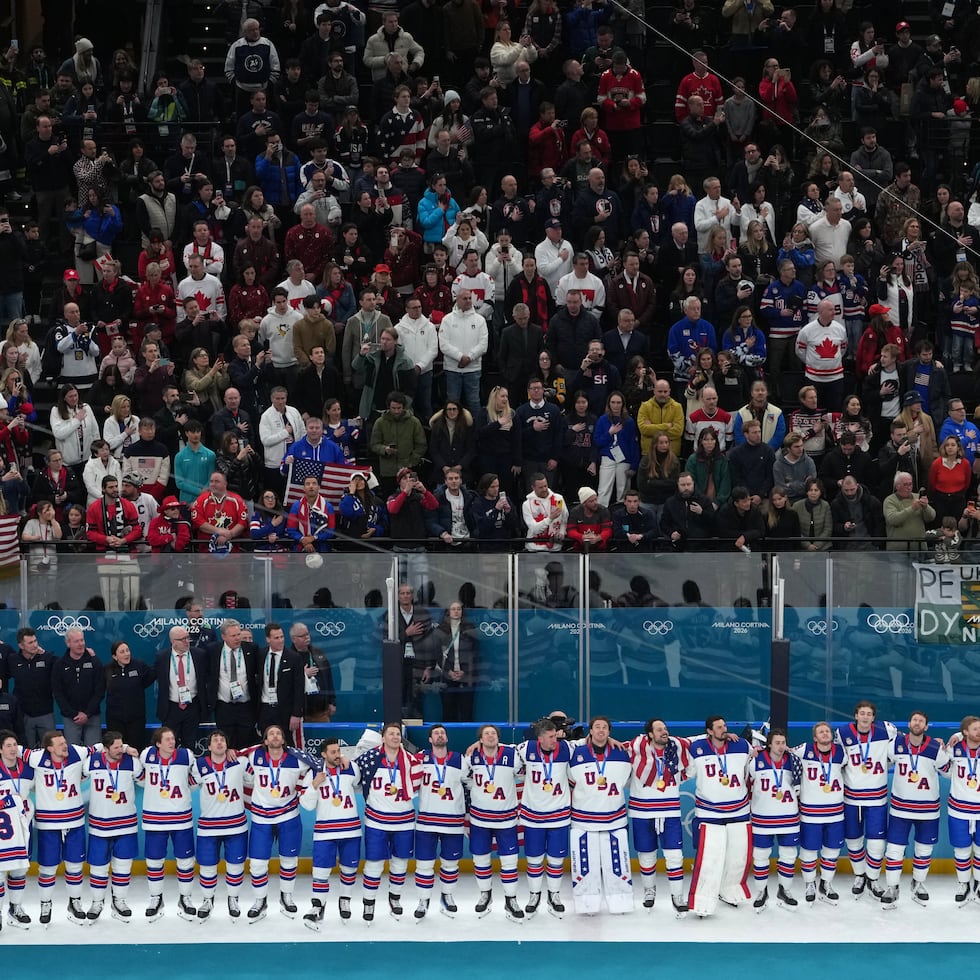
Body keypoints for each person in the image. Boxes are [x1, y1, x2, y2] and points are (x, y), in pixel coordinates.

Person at [240, 724, 312, 921]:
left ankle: (286, 896)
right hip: (261, 818)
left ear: (283, 740)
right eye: (270, 733)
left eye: (278, 733)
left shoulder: (297, 760)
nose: (274, 736)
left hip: (288, 816)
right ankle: (260, 900)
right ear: (265, 741)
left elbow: (319, 767)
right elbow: (233, 756)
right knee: (257, 863)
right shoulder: (254, 756)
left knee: (289, 861)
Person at [353, 722, 422, 921]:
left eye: (398, 734)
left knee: (400, 863)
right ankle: (369, 902)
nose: (395, 737)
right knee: (374, 864)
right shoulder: (369, 758)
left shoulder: (411, 760)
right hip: (377, 821)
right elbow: (354, 776)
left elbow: (417, 786)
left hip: (404, 821)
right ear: (382, 738)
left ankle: (395, 899)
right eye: (391, 733)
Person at [685, 715, 753, 916]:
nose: (724, 729)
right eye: (719, 727)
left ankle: (730, 890)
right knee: (710, 858)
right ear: (709, 731)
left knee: (737, 856)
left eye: (725, 726)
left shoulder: (742, 745)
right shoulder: (696, 749)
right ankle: (702, 900)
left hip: (739, 810)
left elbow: (752, 768)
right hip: (709, 812)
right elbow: (686, 770)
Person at [881, 711, 949, 908]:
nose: (917, 723)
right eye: (914, 720)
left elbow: (948, 772)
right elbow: (881, 761)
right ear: (909, 723)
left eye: (921, 721)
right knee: (894, 850)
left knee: (924, 850)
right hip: (900, 809)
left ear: (926, 726)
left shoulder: (936, 748)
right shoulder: (895, 745)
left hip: (928, 810)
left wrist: (953, 742)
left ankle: (918, 883)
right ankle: (892, 887)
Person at [24, 731, 94, 925]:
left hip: (74, 822)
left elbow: (97, 748)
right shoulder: (36, 758)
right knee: (47, 868)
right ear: (49, 748)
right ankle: (45, 904)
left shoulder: (76, 752)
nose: (65, 746)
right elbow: (14, 751)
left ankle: (75, 903)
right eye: (60, 744)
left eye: (65, 741)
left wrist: (123, 748)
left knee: (75, 866)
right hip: (48, 823)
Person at [567, 716, 634, 915]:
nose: (601, 731)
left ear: (609, 731)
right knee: (585, 866)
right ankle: (587, 903)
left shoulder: (622, 752)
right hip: (583, 820)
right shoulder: (575, 752)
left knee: (617, 864)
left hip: (614, 818)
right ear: (591, 731)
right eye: (597, 727)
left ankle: (620, 901)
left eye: (605, 727)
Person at [626, 718, 690, 913]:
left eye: (665, 728)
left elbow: (702, 739)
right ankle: (649, 891)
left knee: (675, 856)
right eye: (659, 729)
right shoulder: (635, 749)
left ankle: (677, 895)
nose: (664, 732)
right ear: (650, 734)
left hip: (669, 811)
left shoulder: (677, 748)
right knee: (646, 856)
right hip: (642, 811)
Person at [835, 700, 896, 899]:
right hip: (851, 796)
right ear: (855, 715)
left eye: (869, 714)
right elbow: (836, 758)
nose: (865, 717)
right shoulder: (842, 733)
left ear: (873, 717)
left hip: (877, 796)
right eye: (862, 713)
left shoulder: (887, 730)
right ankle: (860, 875)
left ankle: (873, 878)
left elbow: (906, 743)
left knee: (877, 842)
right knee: (853, 839)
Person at [299, 736, 362, 927]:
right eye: (333, 752)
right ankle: (318, 905)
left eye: (338, 751)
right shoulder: (314, 774)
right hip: (325, 831)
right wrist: (314, 785)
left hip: (350, 829)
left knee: (349, 869)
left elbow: (359, 783)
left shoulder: (350, 767)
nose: (337, 755)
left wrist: (348, 761)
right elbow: (307, 805)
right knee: (320, 870)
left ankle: (345, 900)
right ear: (324, 754)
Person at [82, 730, 143, 922]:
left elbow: (144, 781)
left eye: (121, 746)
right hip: (99, 825)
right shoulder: (91, 762)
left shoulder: (132, 762)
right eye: (116, 747)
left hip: (126, 825)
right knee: (98, 867)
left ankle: (120, 901)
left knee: (123, 866)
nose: (120, 750)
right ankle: (97, 902)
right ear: (106, 748)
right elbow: (77, 778)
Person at [139, 726, 198, 922]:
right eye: (167, 739)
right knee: (154, 861)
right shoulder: (146, 755)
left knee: (186, 861)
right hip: (155, 818)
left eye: (173, 739)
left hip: (181, 817)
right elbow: (140, 778)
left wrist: (181, 789)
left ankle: (186, 898)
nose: (172, 742)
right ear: (157, 743)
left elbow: (195, 779)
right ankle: (156, 898)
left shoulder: (186, 756)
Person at [191, 730, 249, 921]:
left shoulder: (239, 762)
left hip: (236, 826)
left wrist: (238, 752)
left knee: (235, 866)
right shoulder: (199, 766)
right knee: (207, 867)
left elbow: (261, 754)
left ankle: (233, 899)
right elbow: (188, 785)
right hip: (209, 827)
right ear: (208, 747)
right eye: (215, 740)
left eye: (222, 740)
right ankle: (208, 900)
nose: (219, 743)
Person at [791, 721, 846, 905]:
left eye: (827, 731)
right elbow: (783, 752)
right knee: (809, 851)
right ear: (815, 737)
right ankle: (810, 884)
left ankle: (826, 884)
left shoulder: (841, 752)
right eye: (820, 732)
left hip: (836, 812)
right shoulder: (804, 750)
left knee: (832, 850)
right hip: (810, 813)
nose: (824, 734)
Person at [748, 728, 801, 911]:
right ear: (769, 744)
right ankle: (762, 892)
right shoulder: (755, 761)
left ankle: (784, 891)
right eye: (777, 743)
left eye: (783, 742)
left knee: (788, 856)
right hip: (762, 818)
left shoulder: (794, 761)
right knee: (761, 857)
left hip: (789, 817)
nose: (781, 746)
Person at [205, 619, 259, 752]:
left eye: (238, 634)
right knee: (226, 744)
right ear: (223, 636)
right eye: (233, 636)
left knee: (245, 744)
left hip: (246, 707)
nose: (237, 638)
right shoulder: (212, 650)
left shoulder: (251, 649)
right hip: (224, 707)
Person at [154, 625, 208, 749]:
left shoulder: (199, 655)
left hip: (192, 707)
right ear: (173, 641)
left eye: (187, 638)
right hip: (171, 708)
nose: (186, 641)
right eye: (182, 639)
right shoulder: (162, 657)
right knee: (168, 744)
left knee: (190, 743)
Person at [52, 627, 105, 747]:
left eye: (82, 640)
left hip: (92, 716)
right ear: (68, 643)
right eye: (76, 641)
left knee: (94, 753)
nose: (80, 644)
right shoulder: (60, 665)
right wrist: (73, 714)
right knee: (73, 754)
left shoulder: (94, 662)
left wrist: (87, 713)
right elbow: (58, 693)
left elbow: (100, 690)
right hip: (71, 718)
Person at [255, 624, 304, 749]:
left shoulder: (294, 658)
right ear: (268, 639)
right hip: (265, 709)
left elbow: (299, 688)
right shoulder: (260, 655)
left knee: (287, 744)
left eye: (282, 637)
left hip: (285, 711)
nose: (281, 640)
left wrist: (296, 714)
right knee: (266, 744)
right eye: (276, 638)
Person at [103, 641, 155, 750]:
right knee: (117, 749)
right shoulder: (107, 670)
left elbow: (149, 679)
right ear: (114, 656)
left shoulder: (139, 666)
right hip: (115, 720)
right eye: (122, 652)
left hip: (136, 719)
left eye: (127, 650)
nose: (127, 654)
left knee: (136, 749)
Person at [290, 622, 336, 723]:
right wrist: (303, 675)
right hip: (298, 713)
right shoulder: (288, 657)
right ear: (294, 639)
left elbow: (328, 678)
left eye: (307, 634)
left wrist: (332, 701)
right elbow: (285, 683)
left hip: (320, 712)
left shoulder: (318, 653)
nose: (307, 637)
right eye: (302, 636)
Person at [883, 473, 936, 551]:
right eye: (905, 485)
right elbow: (893, 520)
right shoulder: (890, 501)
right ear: (897, 486)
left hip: (919, 548)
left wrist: (925, 507)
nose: (909, 487)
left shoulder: (917, 497)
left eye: (910, 484)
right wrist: (912, 508)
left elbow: (931, 517)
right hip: (898, 550)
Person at [522, 473, 568, 553]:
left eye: (545, 486)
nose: (544, 489)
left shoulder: (559, 499)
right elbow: (535, 529)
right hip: (534, 548)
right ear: (533, 488)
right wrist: (550, 518)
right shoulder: (527, 504)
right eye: (540, 487)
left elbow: (565, 518)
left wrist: (562, 531)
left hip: (555, 548)